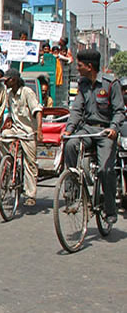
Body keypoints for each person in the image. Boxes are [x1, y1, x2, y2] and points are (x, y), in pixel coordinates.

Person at [63, 49, 124, 224]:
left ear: (90, 67)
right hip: (87, 129)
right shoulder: (82, 84)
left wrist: (113, 128)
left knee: (106, 170)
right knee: (70, 145)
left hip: (105, 132)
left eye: (80, 65)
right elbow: (76, 109)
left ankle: (110, 209)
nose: (77, 68)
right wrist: (68, 130)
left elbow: (119, 111)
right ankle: (73, 190)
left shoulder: (111, 84)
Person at [0, 69, 43, 206]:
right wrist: (9, 120)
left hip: (28, 132)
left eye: (7, 80)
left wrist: (39, 130)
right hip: (16, 130)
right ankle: (10, 161)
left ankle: (30, 194)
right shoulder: (9, 94)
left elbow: (38, 111)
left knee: (30, 163)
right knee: (1, 138)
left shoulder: (27, 92)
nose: (5, 82)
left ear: (14, 79)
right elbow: (11, 113)